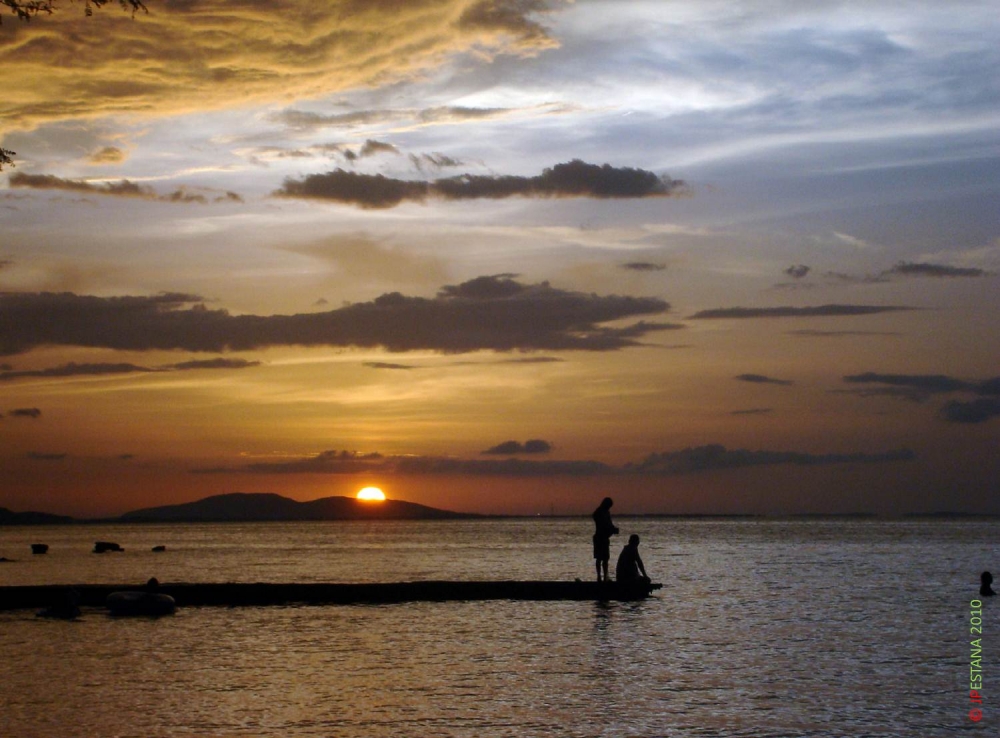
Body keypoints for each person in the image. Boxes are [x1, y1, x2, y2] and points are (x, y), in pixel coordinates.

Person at [592, 497, 619, 582]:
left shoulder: (606, 512)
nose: (609, 508)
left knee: (605, 559)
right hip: (599, 537)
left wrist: (613, 529)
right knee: (599, 558)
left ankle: (604, 576)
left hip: (604, 538)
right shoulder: (599, 512)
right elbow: (602, 523)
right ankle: (599, 576)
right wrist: (610, 529)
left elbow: (609, 524)